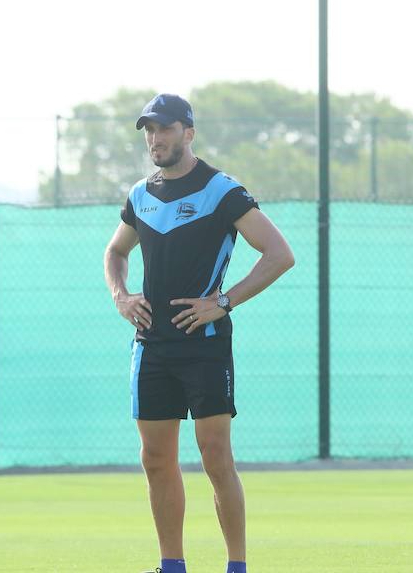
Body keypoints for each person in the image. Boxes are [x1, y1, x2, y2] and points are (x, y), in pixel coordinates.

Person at [103, 94, 294, 573]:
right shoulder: (140, 194)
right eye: (148, 130)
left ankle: (236, 566)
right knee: (154, 459)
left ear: (188, 133)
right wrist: (120, 296)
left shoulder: (221, 190)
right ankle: (172, 565)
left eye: (164, 129)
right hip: (151, 347)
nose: (155, 138)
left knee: (215, 457)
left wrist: (223, 302)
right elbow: (115, 253)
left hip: (205, 348)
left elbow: (278, 253)